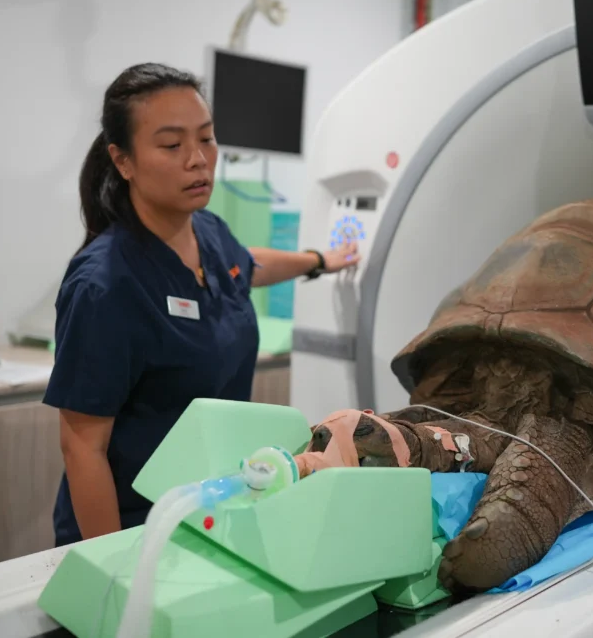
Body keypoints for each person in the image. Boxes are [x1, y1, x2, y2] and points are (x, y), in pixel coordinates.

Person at [44, 63, 358, 546]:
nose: (198, 159)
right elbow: (82, 448)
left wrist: (321, 259)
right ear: (122, 160)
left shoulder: (207, 231)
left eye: (206, 139)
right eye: (172, 145)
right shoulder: (105, 286)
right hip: (135, 529)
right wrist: (112, 568)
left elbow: (247, 267)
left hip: (212, 514)